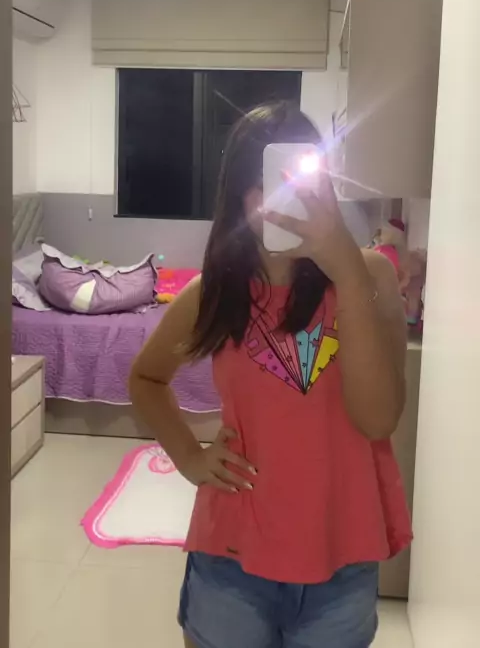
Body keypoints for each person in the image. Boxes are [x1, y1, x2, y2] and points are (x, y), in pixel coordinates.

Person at [129, 102, 411, 648]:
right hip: (232, 561)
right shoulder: (213, 293)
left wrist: (346, 271)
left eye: (293, 180)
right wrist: (189, 457)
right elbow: (146, 379)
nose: (278, 200)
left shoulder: (372, 275)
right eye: (260, 182)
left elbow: (378, 420)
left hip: (342, 559)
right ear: (238, 196)